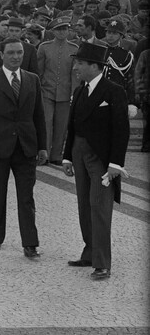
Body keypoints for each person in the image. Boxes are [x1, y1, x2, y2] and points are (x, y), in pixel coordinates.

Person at [62, 42, 131, 281]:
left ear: (95, 66)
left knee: (100, 208)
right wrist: (67, 156)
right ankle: (89, 252)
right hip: (79, 154)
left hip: (101, 159)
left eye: (80, 63)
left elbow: (121, 129)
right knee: (84, 205)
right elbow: (72, 125)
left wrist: (115, 164)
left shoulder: (113, 91)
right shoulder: (80, 90)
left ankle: (103, 263)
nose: (75, 67)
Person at [0, 38, 48, 257]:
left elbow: (39, 116)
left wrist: (42, 146)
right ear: (1, 55)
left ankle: (30, 243)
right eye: (11, 53)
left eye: (20, 53)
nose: (16, 57)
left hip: (25, 147)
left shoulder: (32, 79)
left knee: (26, 197)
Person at [37, 17, 79, 165]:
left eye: (65, 29)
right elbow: (39, 71)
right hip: (47, 91)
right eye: (59, 29)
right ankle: (45, 154)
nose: (62, 32)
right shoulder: (44, 47)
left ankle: (56, 154)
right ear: (53, 31)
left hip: (65, 93)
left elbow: (75, 74)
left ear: (68, 30)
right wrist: (38, 90)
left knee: (62, 125)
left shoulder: (74, 49)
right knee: (46, 123)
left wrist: (75, 93)